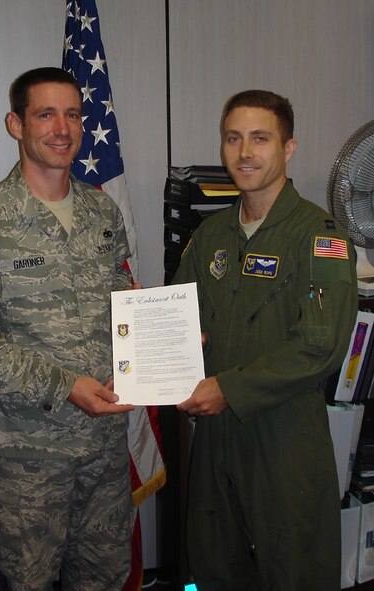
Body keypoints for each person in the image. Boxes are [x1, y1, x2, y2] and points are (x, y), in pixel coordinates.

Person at [0, 67, 135, 591]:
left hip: (105, 451)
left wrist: (169, 336)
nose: (62, 128)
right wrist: (66, 386)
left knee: (104, 580)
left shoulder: (103, 213)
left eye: (72, 114)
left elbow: (121, 301)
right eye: (45, 113)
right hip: (29, 458)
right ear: (16, 124)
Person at [174, 90, 358, 591]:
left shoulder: (319, 236)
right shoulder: (209, 236)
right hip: (213, 437)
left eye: (260, 138)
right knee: (213, 562)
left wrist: (228, 389)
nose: (244, 152)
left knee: (293, 565)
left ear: (289, 148)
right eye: (233, 138)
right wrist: (155, 330)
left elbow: (320, 347)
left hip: (283, 436)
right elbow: (181, 318)